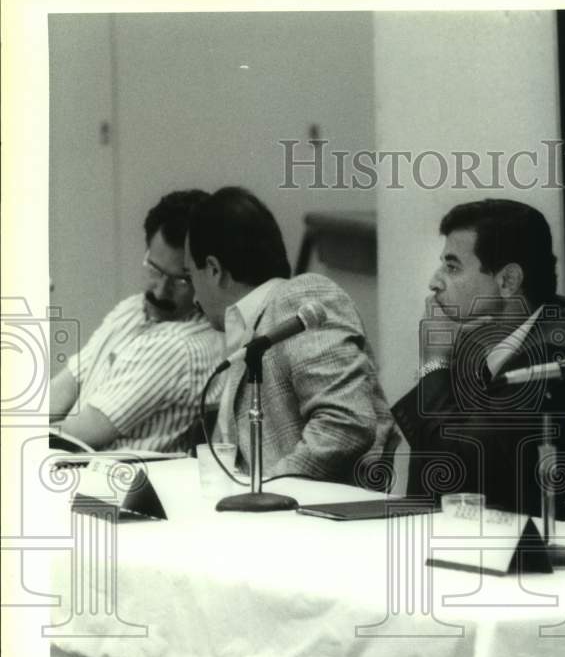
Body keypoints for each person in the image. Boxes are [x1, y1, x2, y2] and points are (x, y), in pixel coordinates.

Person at [392, 198, 565, 517]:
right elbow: (432, 482)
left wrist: (434, 364)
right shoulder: (486, 338)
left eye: (452, 266)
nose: (435, 281)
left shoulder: (557, 357)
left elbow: (458, 471)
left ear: (508, 281)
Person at [183, 186, 397, 484]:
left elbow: (344, 424)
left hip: (313, 519)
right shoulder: (248, 327)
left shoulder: (301, 296)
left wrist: (268, 491)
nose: (193, 297)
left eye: (189, 275)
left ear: (214, 269)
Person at [49, 189, 224, 453]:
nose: (160, 291)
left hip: (119, 486)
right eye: (155, 269)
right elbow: (65, 388)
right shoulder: (131, 309)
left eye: (181, 280)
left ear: (204, 274)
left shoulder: (181, 346)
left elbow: (81, 433)